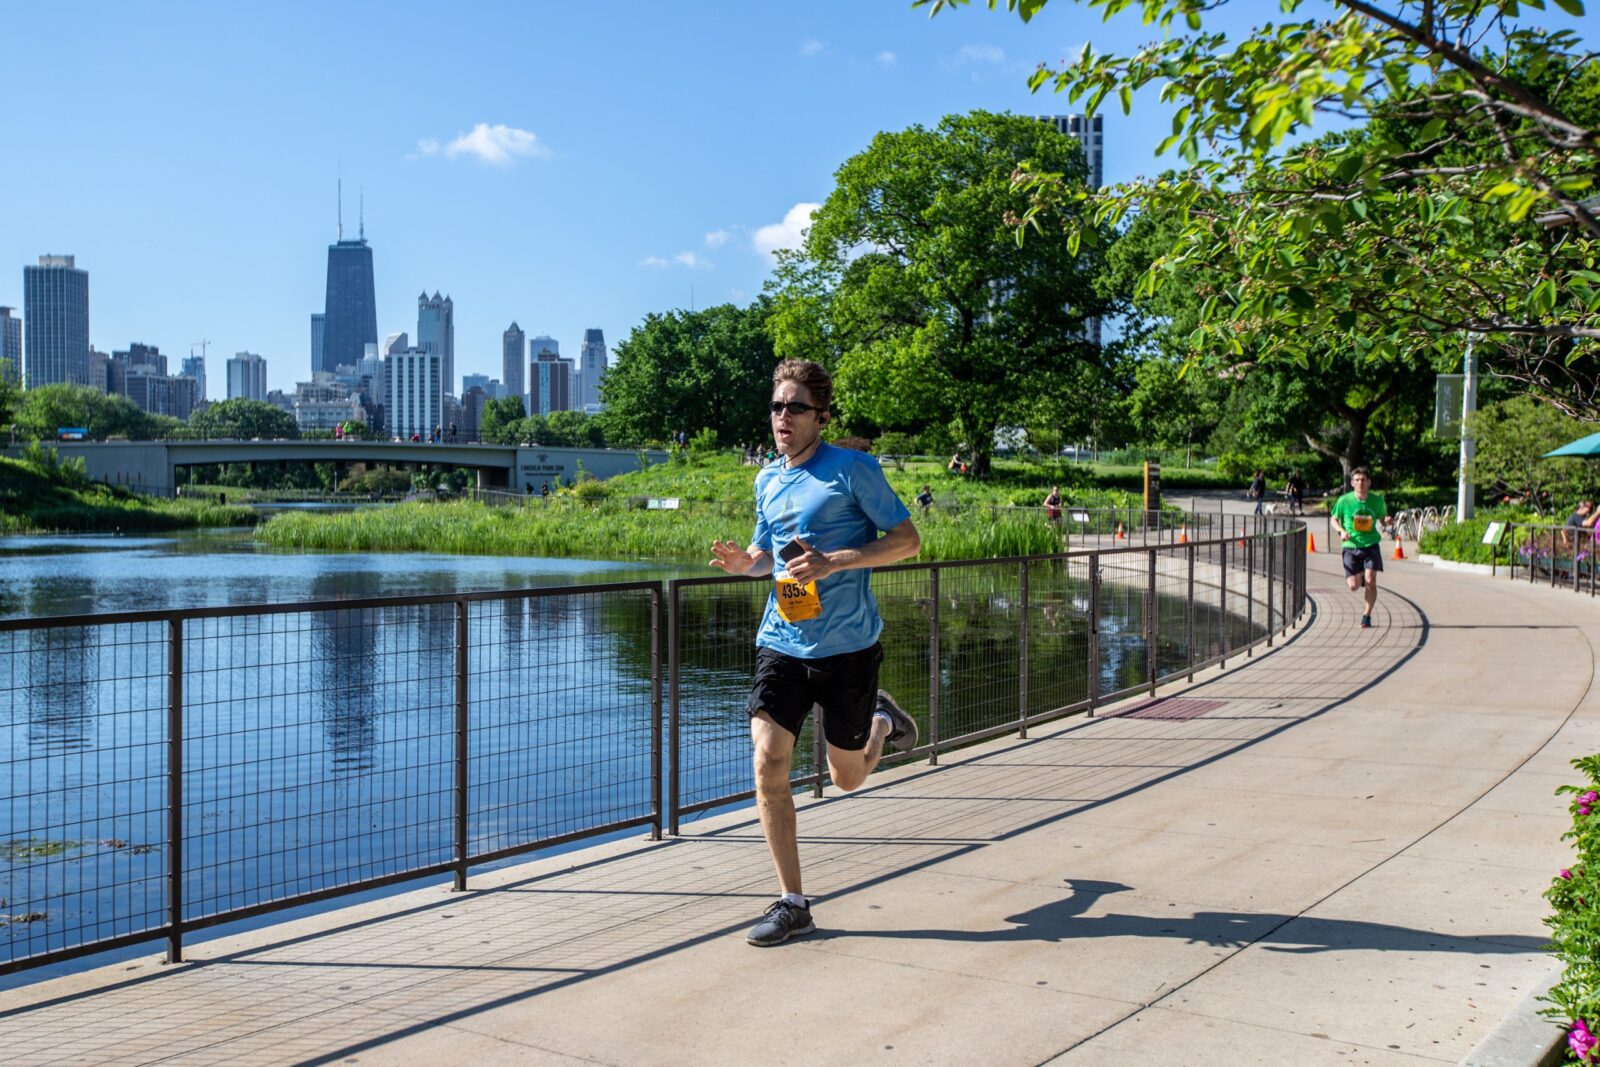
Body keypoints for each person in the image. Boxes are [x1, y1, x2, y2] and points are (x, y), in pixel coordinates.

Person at [709, 358, 922, 947]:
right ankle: (792, 901)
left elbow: (907, 542)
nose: (782, 417)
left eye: (795, 407)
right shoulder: (767, 479)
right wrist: (744, 565)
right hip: (782, 639)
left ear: (820, 416)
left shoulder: (852, 469)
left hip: (849, 647)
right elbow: (766, 556)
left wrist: (837, 561)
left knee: (847, 778)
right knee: (768, 758)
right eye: (777, 406)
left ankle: (881, 720)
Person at [1329, 467, 1388, 629]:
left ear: (1369, 482)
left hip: (1371, 545)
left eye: (1363, 480)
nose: (1360, 483)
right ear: (1352, 483)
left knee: (1371, 581)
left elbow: (1382, 519)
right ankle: (1359, 575)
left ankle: (1366, 616)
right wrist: (1341, 531)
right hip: (1351, 545)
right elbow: (1333, 519)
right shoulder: (1344, 501)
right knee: (1353, 586)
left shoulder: (1377, 501)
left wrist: (1387, 521)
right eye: (1357, 480)